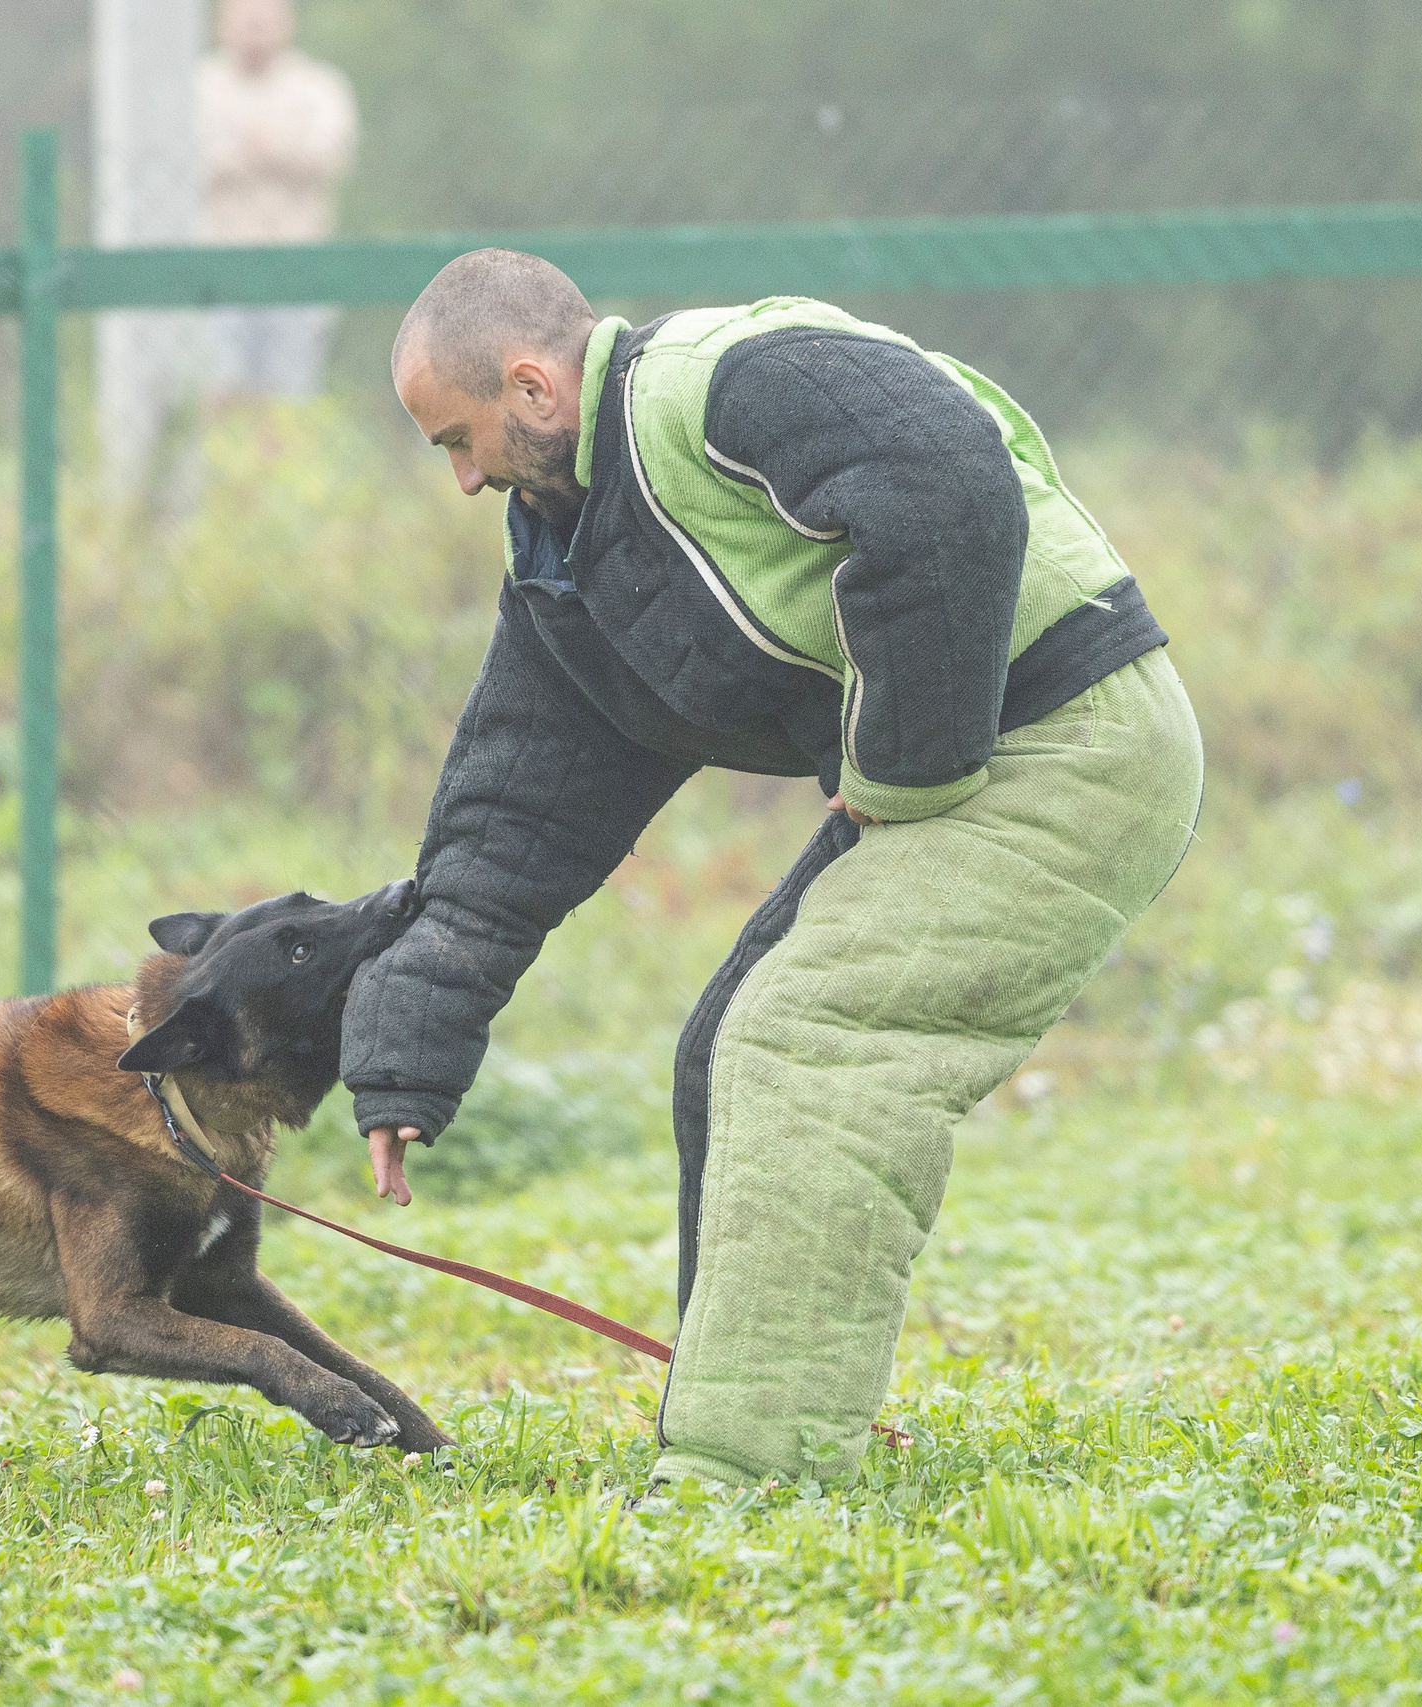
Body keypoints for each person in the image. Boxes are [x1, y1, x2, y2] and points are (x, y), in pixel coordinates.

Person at [341, 250, 1204, 1494]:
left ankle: (748, 1471)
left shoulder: (728, 381)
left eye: (456, 442)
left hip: (1070, 731)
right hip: (974, 757)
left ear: (531, 384)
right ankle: (737, 1411)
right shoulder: (570, 554)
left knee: (807, 1040)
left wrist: (904, 763)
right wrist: (407, 1038)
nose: (465, 479)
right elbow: (511, 815)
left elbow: (944, 484)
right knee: (724, 1047)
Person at [195, 0, 358, 397]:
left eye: (264, 21)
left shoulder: (319, 86)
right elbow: (181, 158)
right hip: (220, 265)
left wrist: (265, 149)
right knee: (219, 388)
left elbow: (333, 152)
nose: (255, 31)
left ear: (287, 24)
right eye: (244, 21)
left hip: (298, 264)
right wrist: (271, 151)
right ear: (222, 26)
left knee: (290, 395)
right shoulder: (199, 86)